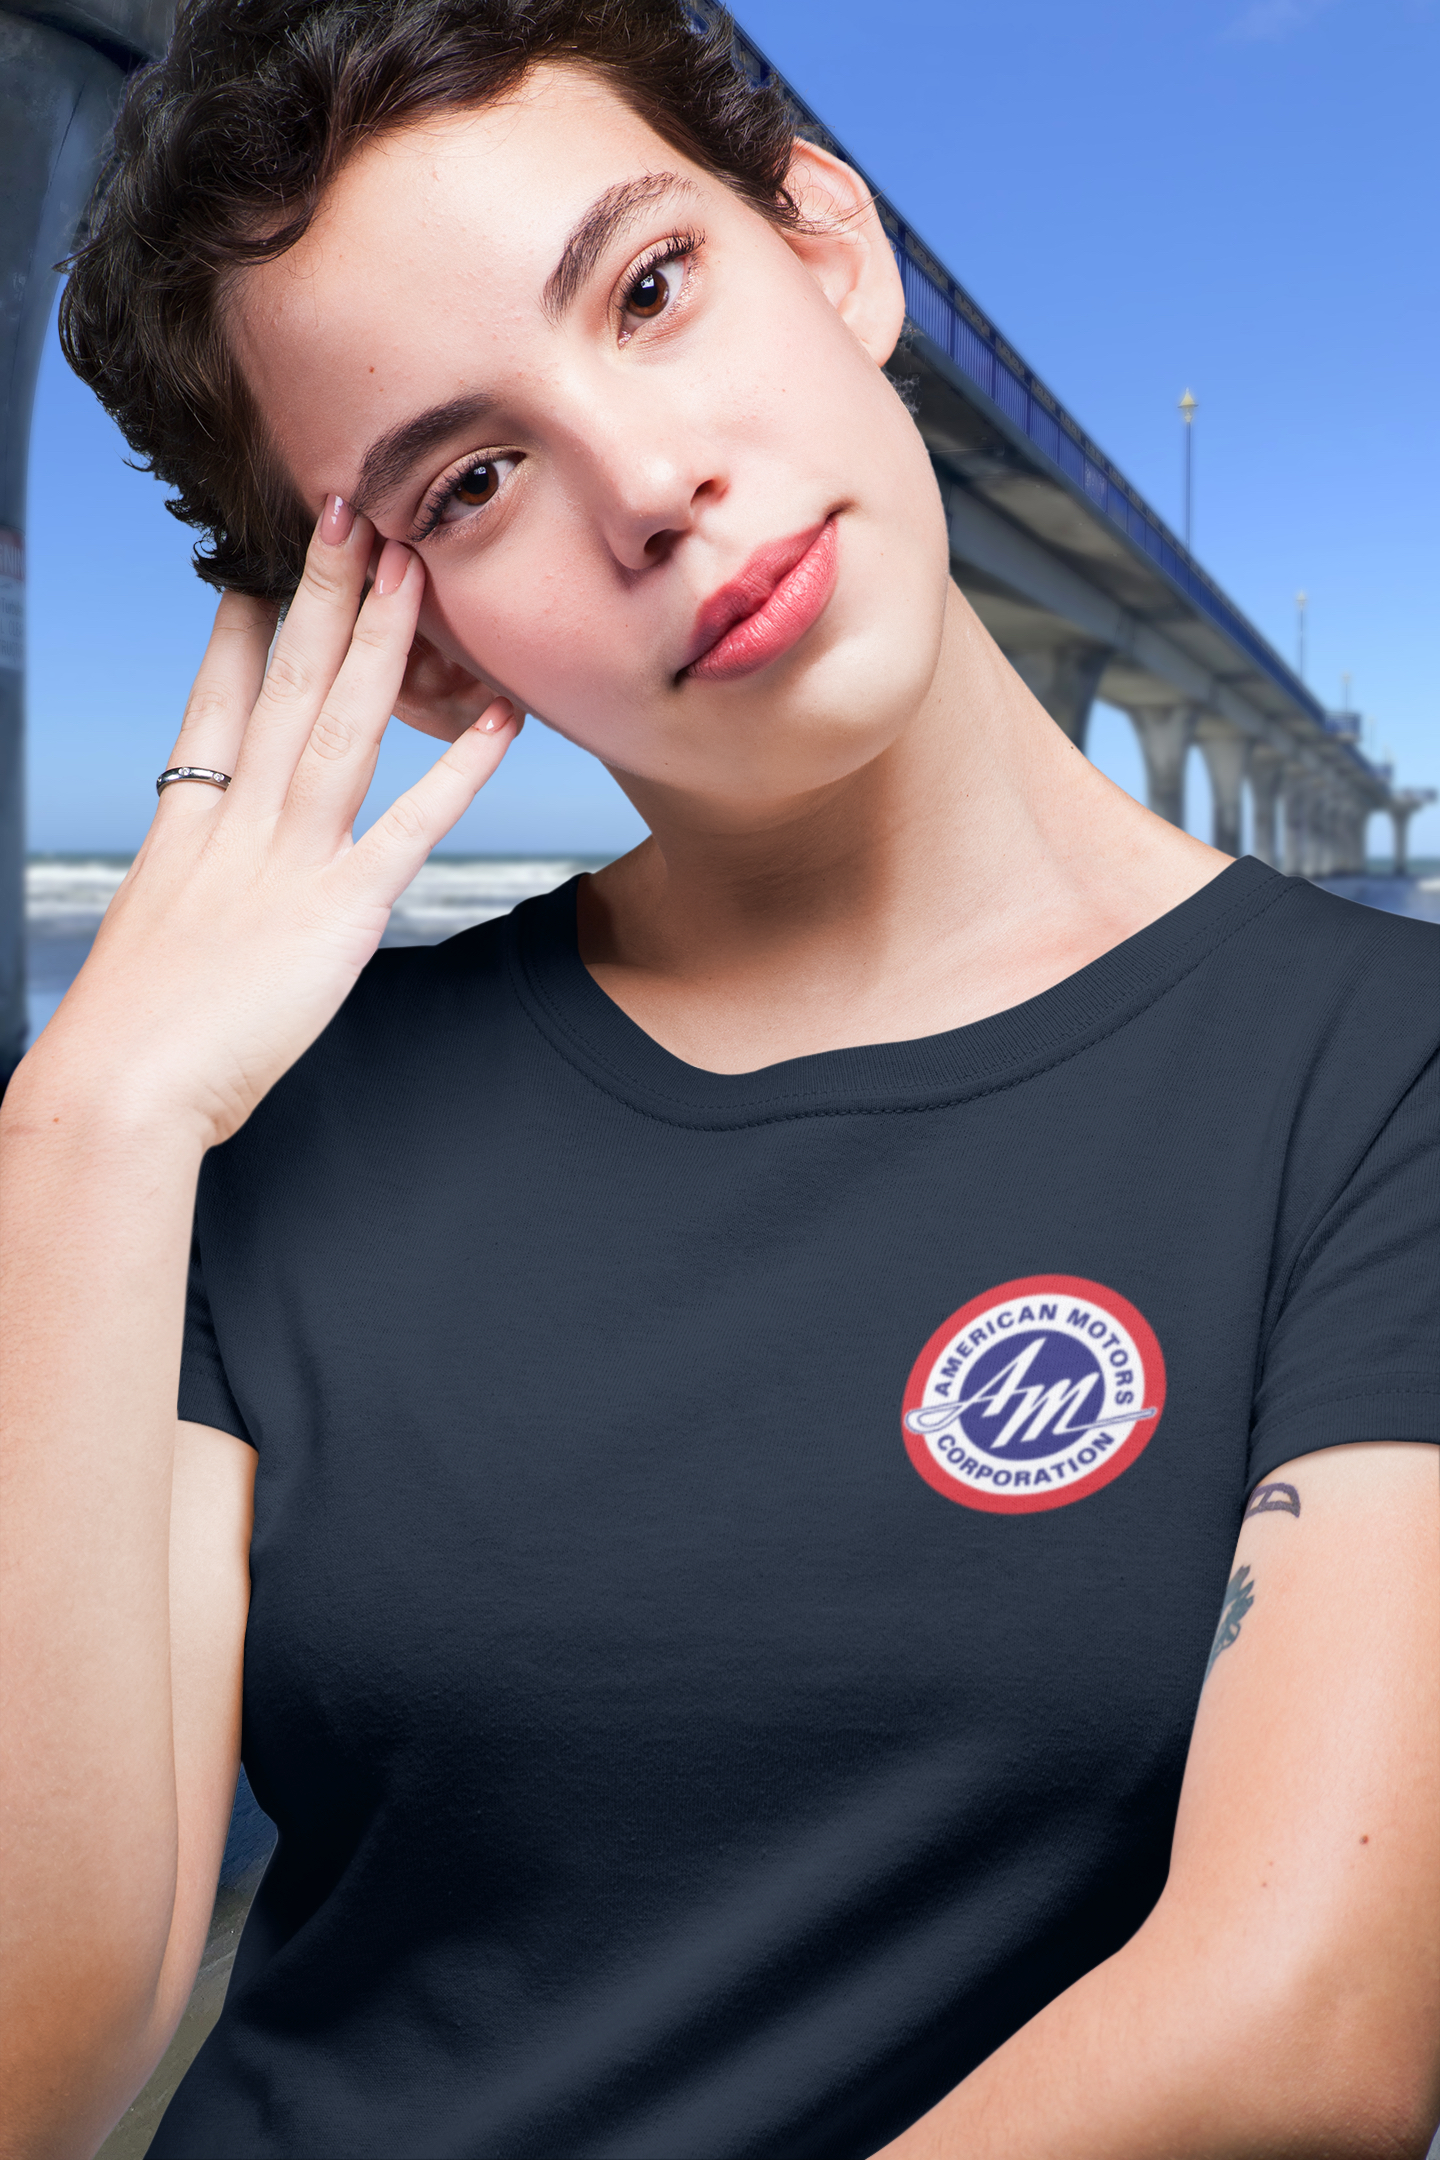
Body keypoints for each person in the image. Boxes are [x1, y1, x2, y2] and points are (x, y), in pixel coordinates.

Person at [2, 1, 1436, 2153]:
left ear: (829, 248)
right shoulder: (260, 1143)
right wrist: (85, 1130)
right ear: (424, 646)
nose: (650, 485)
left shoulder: (1374, 1073)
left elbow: (1304, 2020)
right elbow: (48, 2050)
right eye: (472, 482)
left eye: (650, 289)